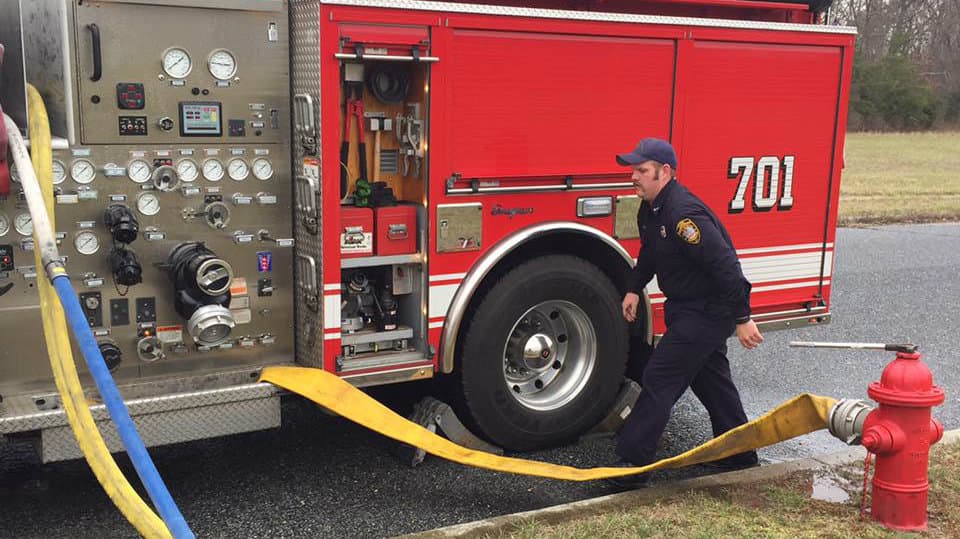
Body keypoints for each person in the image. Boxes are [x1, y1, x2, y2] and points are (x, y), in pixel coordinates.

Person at [608, 137, 764, 489]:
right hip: (688, 308)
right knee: (712, 380)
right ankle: (739, 452)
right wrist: (634, 287)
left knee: (659, 378)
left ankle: (631, 465)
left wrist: (742, 317)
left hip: (708, 311)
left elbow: (725, 266)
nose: (633, 177)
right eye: (633, 170)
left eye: (641, 171)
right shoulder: (651, 208)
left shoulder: (683, 216)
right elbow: (650, 252)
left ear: (665, 172)